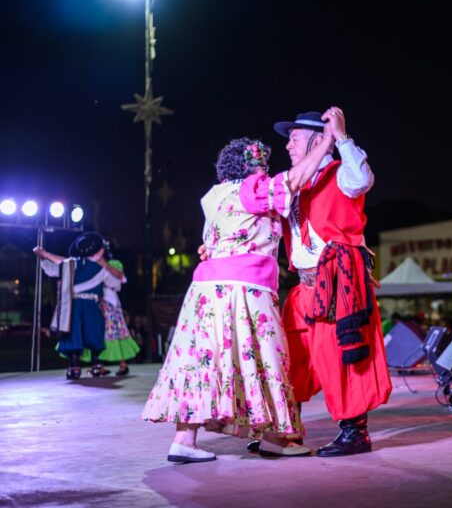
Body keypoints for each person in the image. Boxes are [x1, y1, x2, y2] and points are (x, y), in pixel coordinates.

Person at [142, 129, 332, 463]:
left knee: (205, 361)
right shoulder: (252, 188)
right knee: (264, 357)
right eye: (261, 163)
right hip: (244, 290)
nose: (266, 169)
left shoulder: (215, 194)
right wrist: (327, 142)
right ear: (250, 167)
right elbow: (294, 179)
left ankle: (184, 439)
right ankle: (274, 437)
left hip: (205, 293)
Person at [274, 107, 392, 457]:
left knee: (339, 356)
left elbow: (362, 179)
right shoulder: (294, 183)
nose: (288, 146)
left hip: (337, 285)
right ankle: (288, 431)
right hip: (303, 287)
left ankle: (355, 432)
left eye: (294, 138)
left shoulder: (341, 173)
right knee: (292, 357)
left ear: (316, 140)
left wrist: (340, 136)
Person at [34, 232, 124, 380]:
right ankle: (96, 365)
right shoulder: (101, 268)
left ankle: (74, 367)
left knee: (72, 333)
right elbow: (116, 284)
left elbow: (51, 270)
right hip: (91, 304)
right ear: (97, 250)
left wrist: (43, 257)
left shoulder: (70, 264)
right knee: (94, 332)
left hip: (72, 305)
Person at [98, 259, 140, 376]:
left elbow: (121, 277)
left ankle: (118, 364)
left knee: (111, 333)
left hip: (109, 303)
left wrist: (105, 265)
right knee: (108, 334)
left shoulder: (112, 267)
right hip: (106, 301)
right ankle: (109, 365)